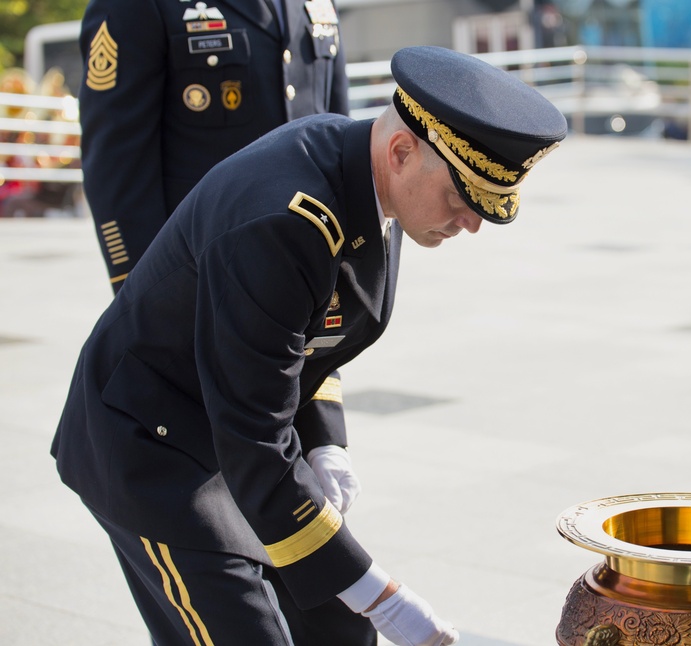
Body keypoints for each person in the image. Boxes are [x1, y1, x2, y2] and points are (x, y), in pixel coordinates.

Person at [51, 45, 567, 645]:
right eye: (461, 198)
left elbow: (316, 335)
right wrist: (385, 596)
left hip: (238, 425)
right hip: (153, 447)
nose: (471, 223)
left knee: (340, 634)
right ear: (401, 152)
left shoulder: (369, 174)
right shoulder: (282, 222)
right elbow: (254, 440)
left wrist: (327, 443)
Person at [78, 0, 350, 294]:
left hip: (311, 268)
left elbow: (336, 136)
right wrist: (144, 289)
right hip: (202, 275)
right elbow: (116, 161)